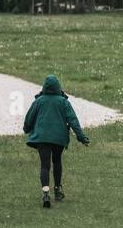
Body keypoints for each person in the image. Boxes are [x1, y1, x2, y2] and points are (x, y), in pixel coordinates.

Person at [23, 73, 89, 208]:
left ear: (45, 87)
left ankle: (45, 193)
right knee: (57, 161)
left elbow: (29, 118)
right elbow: (73, 120)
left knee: (44, 165)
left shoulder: (39, 101)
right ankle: (58, 189)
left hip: (41, 138)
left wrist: (27, 128)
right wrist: (81, 137)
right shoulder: (63, 102)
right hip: (59, 138)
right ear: (58, 87)